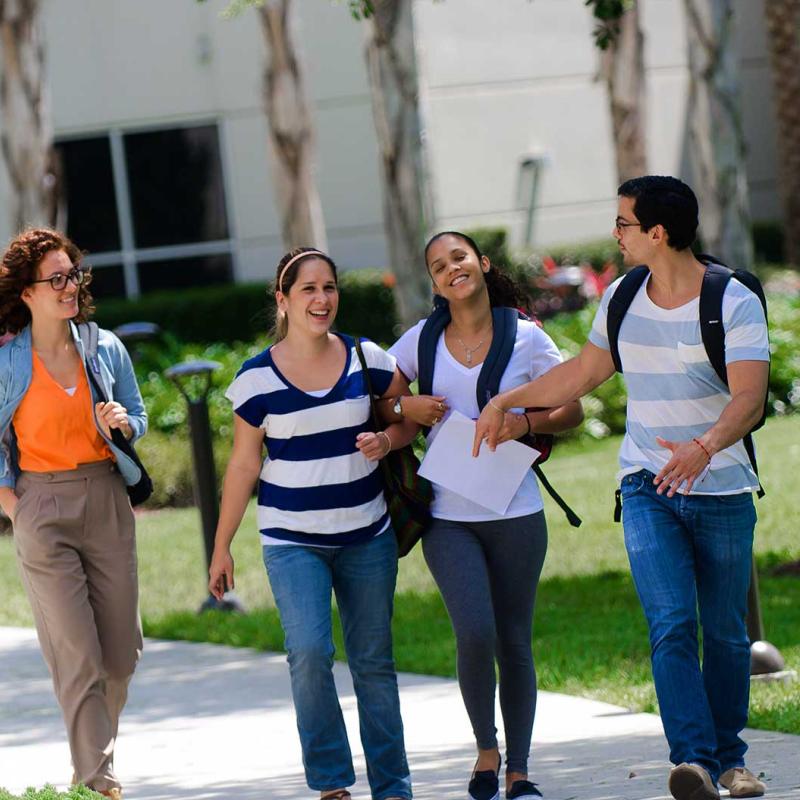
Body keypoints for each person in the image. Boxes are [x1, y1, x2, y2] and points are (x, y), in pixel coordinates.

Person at [474, 176, 769, 800]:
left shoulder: (733, 298)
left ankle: (731, 760)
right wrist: (508, 399)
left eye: (624, 223)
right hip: (645, 485)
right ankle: (692, 761)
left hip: (721, 488)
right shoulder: (624, 294)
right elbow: (583, 373)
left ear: (657, 233)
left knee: (723, 632)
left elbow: (749, 397)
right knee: (670, 623)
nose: (616, 233)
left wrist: (705, 447)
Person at [208, 247, 416, 800]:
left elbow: (404, 417)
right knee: (308, 654)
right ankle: (331, 784)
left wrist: (387, 439)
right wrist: (221, 547)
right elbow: (244, 464)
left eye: (329, 287)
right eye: (308, 289)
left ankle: (394, 788)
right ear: (283, 299)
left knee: (373, 663)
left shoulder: (366, 357)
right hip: (291, 540)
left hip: (367, 534)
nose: (322, 299)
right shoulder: (255, 380)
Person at [383, 232, 583, 800]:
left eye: (460, 259)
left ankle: (519, 769)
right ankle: (485, 750)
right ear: (434, 281)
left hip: (516, 510)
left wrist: (522, 423)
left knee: (514, 640)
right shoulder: (420, 341)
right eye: (439, 266)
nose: (452, 270)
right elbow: (381, 400)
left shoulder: (524, 335)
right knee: (474, 631)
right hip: (446, 514)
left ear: (482, 263)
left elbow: (570, 406)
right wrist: (405, 406)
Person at [0, 228, 147, 799]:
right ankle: (98, 782)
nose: (69, 287)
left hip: (107, 497)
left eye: (73, 276)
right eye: (55, 279)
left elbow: (136, 413)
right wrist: (15, 505)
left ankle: (90, 764)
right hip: (42, 505)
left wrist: (124, 424)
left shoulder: (102, 346)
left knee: (121, 654)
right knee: (79, 654)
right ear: (27, 294)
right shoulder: (9, 361)